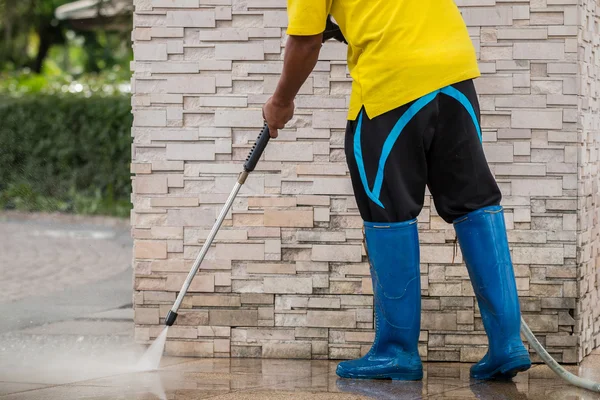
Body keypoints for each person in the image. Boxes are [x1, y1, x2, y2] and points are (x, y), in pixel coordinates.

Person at [261, 0, 532, 381]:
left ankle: (395, 351)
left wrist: (281, 101)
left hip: (393, 81)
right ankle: (507, 344)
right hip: (453, 74)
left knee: (386, 210)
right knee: (475, 202)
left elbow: (304, 43)